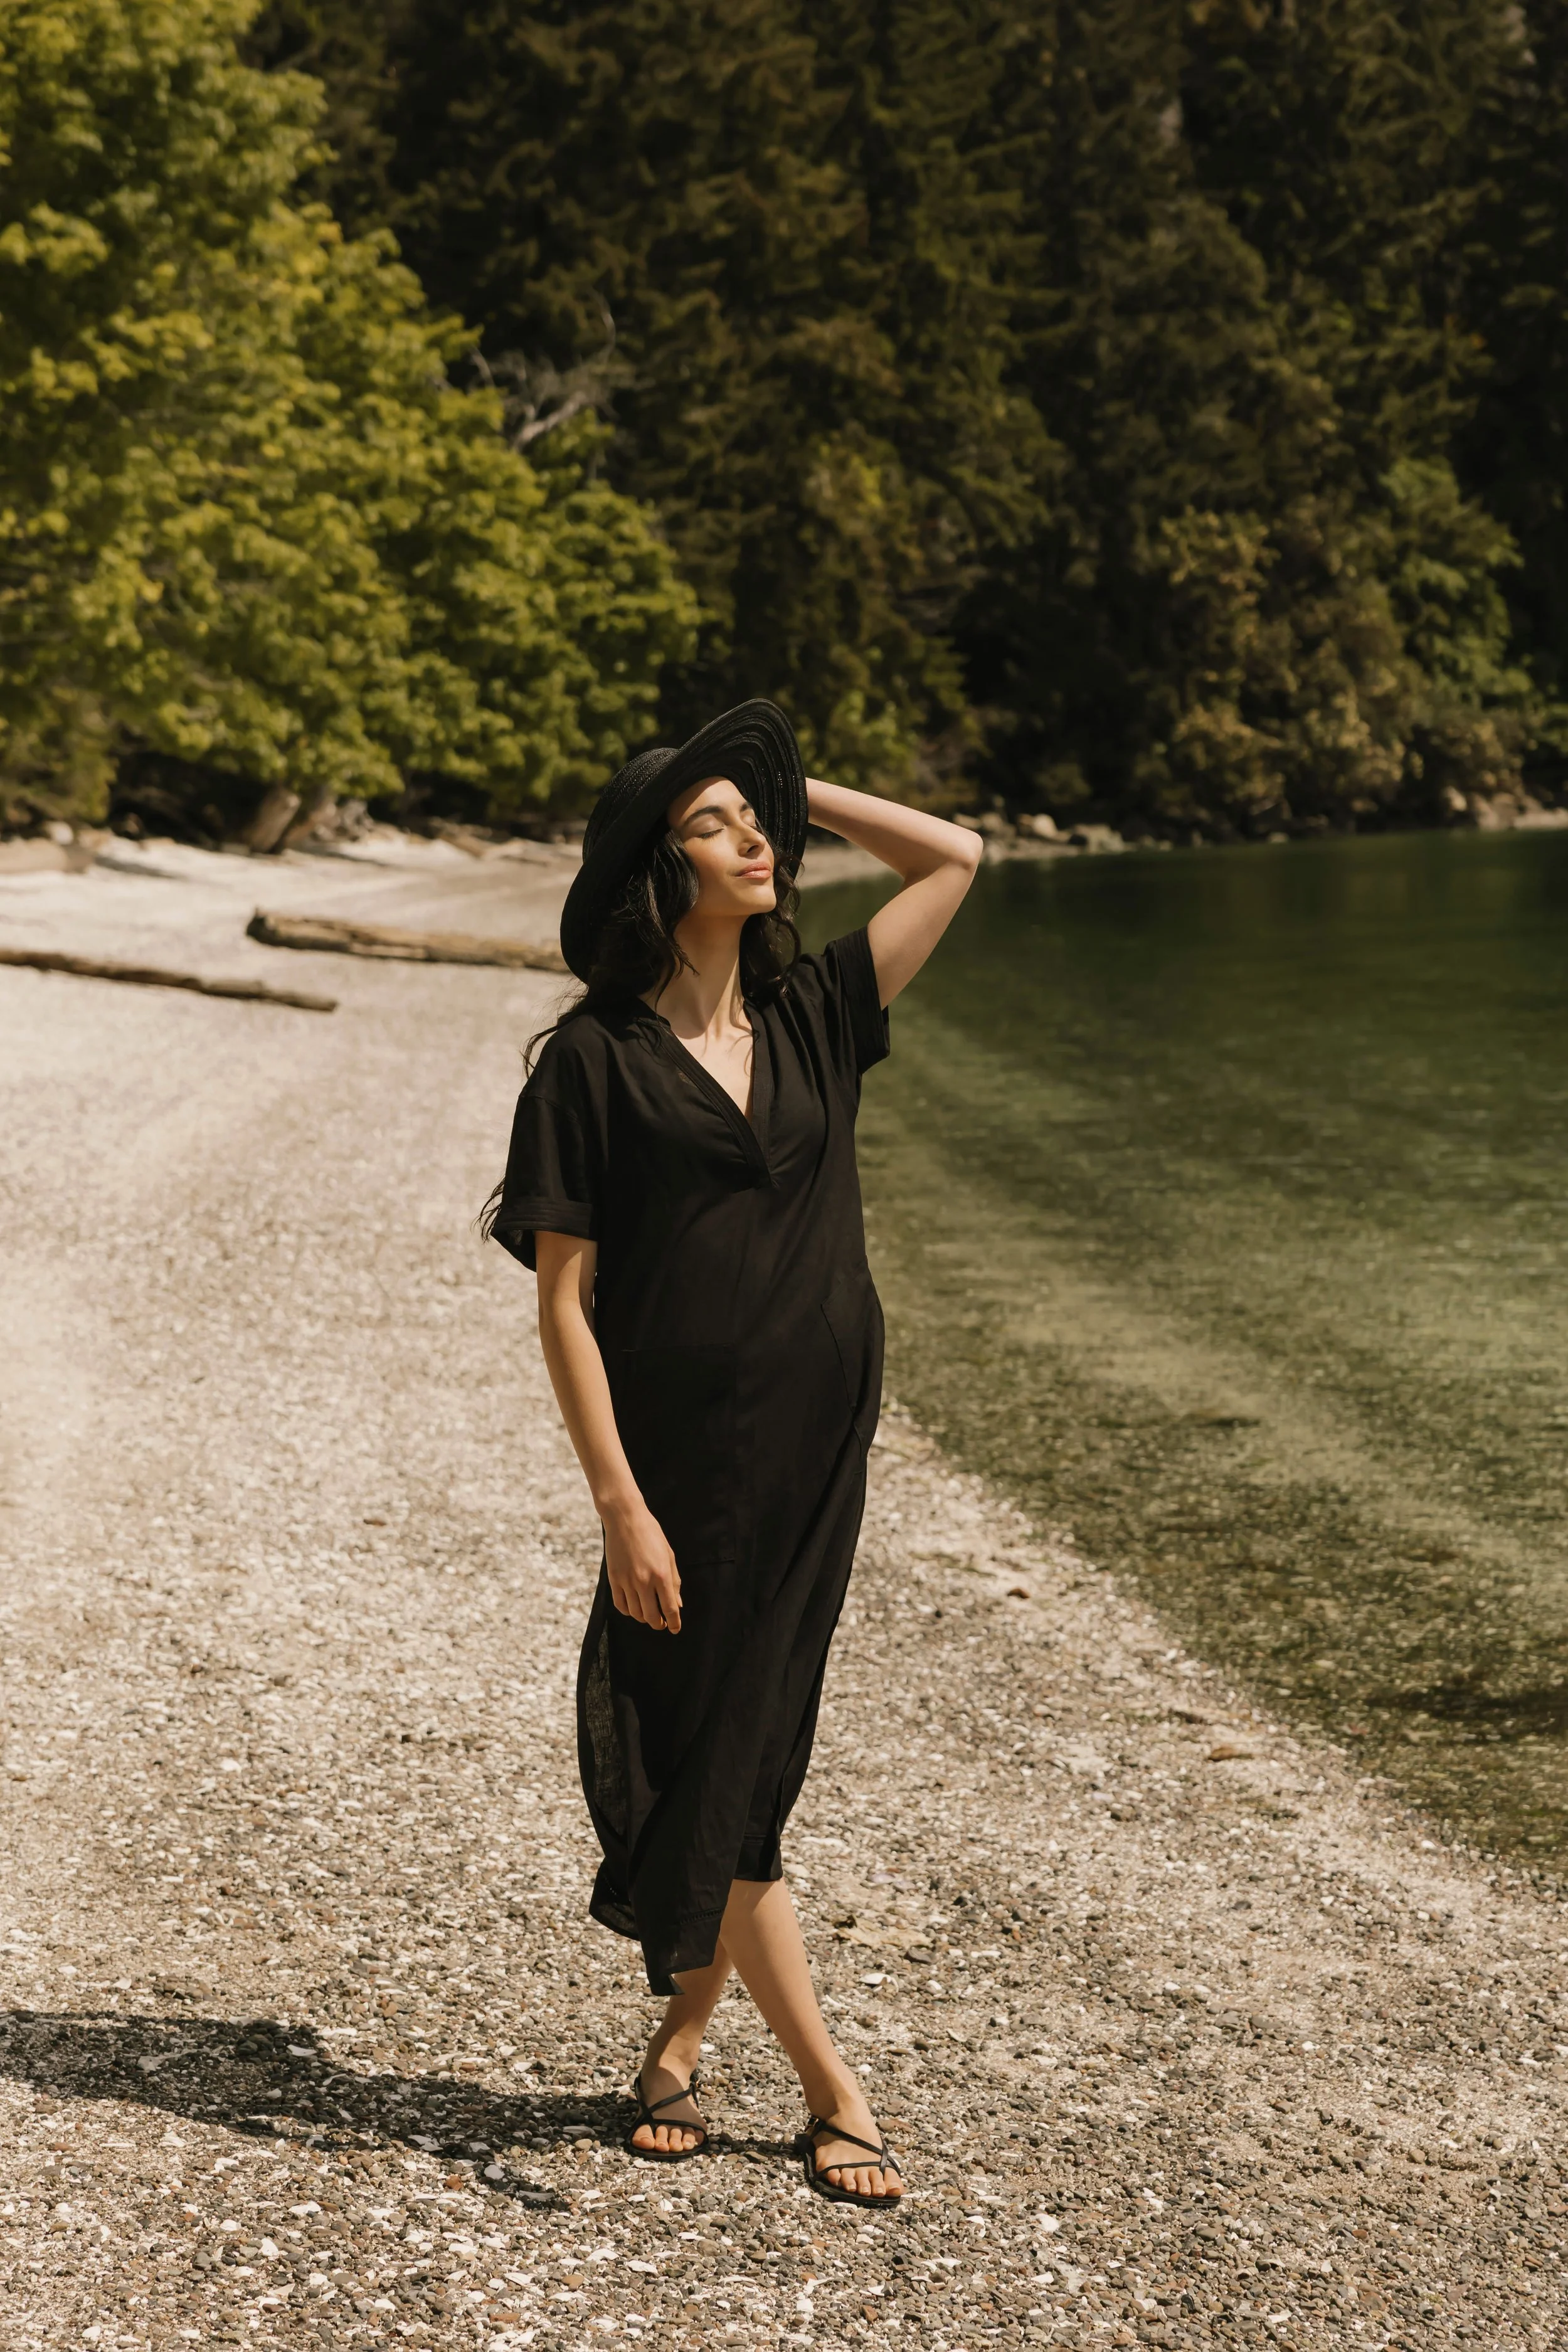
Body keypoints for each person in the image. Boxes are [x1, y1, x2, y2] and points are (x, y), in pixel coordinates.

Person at [486, 700, 980, 2207]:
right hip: (686, 1467)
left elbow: (954, 856)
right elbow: (562, 1307)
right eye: (713, 825)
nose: (754, 839)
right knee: (722, 1754)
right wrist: (620, 1507)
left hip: (819, 1453)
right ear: (657, 869)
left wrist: (786, 786)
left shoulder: (817, 1011)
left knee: (746, 1743)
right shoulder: (592, 1061)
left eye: (755, 820)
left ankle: (679, 2045)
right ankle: (835, 2090)